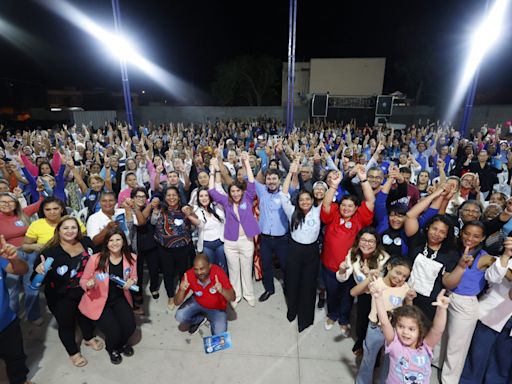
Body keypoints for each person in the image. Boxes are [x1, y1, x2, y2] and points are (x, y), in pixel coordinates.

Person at [34, 216, 103, 367]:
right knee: (66, 324)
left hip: (84, 291)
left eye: (73, 227)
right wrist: (40, 272)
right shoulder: (49, 252)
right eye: (65, 228)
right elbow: (35, 281)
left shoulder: (86, 242)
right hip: (60, 296)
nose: (70, 231)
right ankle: (73, 352)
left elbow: (98, 261)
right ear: (58, 230)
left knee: (85, 317)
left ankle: (88, 338)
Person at [439, 221, 499, 383]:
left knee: (456, 348)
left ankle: (448, 381)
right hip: (445, 297)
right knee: (441, 340)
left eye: (476, 236)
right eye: (467, 233)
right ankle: (433, 374)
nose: (470, 238)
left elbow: (503, 270)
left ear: (483, 238)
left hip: (465, 304)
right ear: (461, 233)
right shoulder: (452, 250)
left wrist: (506, 255)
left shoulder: (485, 257)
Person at [321, 166, 375, 336]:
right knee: (332, 293)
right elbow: (326, 203)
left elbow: (371, 201)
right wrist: (333, 186)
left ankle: (344, 319)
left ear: (355, 207)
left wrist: (364, 180)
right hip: (330, 264)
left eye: (350, 206)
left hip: (351, 267)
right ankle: (332, 315)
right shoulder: (334, 214)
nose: (346, 208)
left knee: (347, 295)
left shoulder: (360, 217)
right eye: (343, 205)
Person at [78, 229, 138, 365]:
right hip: (99, 300)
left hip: (119, 298)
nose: (114, 243)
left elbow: (134, 276)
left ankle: (122, 344)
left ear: (123, 242)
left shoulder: (132, 258)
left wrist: (132, 281)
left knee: (130, 326)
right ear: (106, 243)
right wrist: (89, 284)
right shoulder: (96, 259)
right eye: (111, 240)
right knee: (114, 331)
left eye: (118, 240)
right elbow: (83, 280)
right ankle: (113, 349)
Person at [371, 284, 450, 384]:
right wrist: (378, 298)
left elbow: (437, 330)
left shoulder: (426, 347)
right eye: (401, 326)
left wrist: (442, 309)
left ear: (420, 330)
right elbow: (384, 323)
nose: (405, 332)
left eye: (411, 329)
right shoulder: (395, 344)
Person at [209, 153, 260, 307]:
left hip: (247, 241)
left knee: (246, 268)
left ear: (242, 191)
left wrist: (245, 163)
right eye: (233, 192)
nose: (236, 194)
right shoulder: (226, 202)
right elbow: (211, 191)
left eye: (238, 191)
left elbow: (251, 181)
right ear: (229, 193)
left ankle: (249, 294)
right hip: (230, 242)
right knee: (233, 269)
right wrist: (212, 170)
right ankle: (236, 295)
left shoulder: (248, 197)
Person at [353, 257, 415, 384]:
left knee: (390, 360)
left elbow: (409, 312)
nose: (400, 278)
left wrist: (409, 299)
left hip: (394, 331)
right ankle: (363, 381)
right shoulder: (377, 282)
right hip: (375, 329)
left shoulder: (404, 287)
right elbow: (354, 292)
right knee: (368, 358)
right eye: (398, 273)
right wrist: (369, 279)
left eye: (404, 276)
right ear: (389, 267)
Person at [460, 238, 512, 384]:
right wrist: (507, 255)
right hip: (489, 318)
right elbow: (493, 277)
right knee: (476, 359)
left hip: (509, 326)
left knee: (501, 364)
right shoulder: (499, 261)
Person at [280, 159, 321, 332]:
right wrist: (291, 173)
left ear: (312, 200)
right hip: (294, 250)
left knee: (308, 284)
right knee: (292, 282)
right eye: (302, 199)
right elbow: (283, 194)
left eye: (308, 199)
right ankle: (292, 310)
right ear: (298, 201)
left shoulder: (318, 211)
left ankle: (305, 318)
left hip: (311, 252)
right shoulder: (292, 212)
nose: (305, 202)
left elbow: (326, 194)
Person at [338, 227, 390, 356]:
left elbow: (385, 284)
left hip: (379, 295)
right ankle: (360, 342)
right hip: (363, 294)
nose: (367, 244)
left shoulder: (383, 258)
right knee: (361, 319)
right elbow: (342, 278)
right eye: (364, 240)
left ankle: (375, 352)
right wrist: (342, 270)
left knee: (376, 323)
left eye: (371, 241)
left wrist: (370, 275)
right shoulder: (353, 254)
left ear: (376, 244)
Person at [149, 186, 199, 310]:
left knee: (183, 272)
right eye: (168, 195)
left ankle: (183, 294)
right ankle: (171, 296)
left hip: (183, 247)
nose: (171, 197)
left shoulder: (185, 209)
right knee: (168, 273)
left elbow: (195, 224)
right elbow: (153, 222)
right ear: (165, 197)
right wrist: (154, 210)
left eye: (174, 195)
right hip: (164, 248)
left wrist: (190, 213)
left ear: (178, 196)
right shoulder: (160, 209)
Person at [0, 191, 43, 324]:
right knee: (12, 289)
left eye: (10, 201)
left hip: (30, 252)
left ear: (16, 203)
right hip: (9, 256)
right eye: (3, 202)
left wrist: (40, 189)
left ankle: (33, 315)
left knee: (31, 284)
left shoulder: (23, 214)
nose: (7, 204)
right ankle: (12, 319)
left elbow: (41, 202)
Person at [174, 254, 235, 335]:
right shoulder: (188, 275)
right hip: (198, 302)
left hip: (217, 308)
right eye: (196, 269)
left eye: (202, 269)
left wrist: (222, 290)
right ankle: (199, 319)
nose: (199, 272)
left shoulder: (219, 272)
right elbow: (176, 302)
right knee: (179, 316)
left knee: (219, 334)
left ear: (209, 266)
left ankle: (212, 319)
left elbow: (233, 297)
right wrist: (181, 290)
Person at [0, 235, 32, 384]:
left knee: (16, 357)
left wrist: (13, 258)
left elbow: (22, 270)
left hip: (7, 321)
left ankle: (20, 380)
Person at [193, 187, 227, 273]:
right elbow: (199, 224)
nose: (204, 198)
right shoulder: (196, 211)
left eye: (206, 195)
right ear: (198, 198)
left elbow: (221, 192)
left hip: (220, 242)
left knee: (222, 267)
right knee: (210, 268)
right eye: (201, 196)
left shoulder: (218, 207)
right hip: (206, 245)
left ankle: (223, 285)